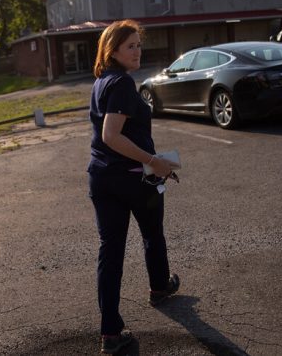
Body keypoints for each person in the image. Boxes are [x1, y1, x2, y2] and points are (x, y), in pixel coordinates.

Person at [87, 19, 181, 354]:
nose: (138, 50)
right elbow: (111, 136)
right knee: (152, 232)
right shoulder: (123, 83)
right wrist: (155, 162)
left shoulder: (101, 82)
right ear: (112, 50)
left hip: (102, 177)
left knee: (110, 253)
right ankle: (159, 287)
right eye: (131, 46)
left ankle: (110, 333)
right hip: (133, 178)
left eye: (139, 44)